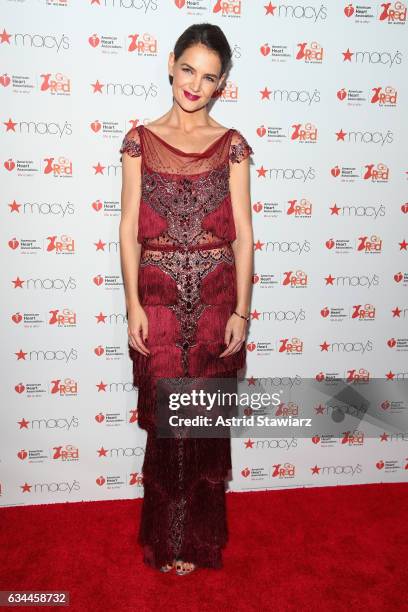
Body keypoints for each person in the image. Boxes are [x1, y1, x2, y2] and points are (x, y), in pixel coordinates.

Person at [119, 22, 254, 576]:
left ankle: (196, 543)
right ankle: (167, 541)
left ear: (221, 84)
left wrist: (242, 310)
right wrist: (132, 305)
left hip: (218, 298)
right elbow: (129, 227)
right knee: (167, 423)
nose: (196, 84)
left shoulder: (233, 146)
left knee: (200, 421)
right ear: (172, 63)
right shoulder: (139, 140)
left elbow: (243, 232)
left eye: (210, 77)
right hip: (158, 299)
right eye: (189, 69)